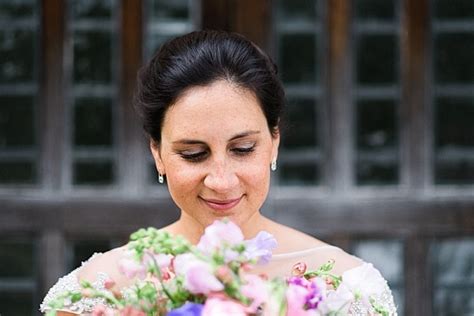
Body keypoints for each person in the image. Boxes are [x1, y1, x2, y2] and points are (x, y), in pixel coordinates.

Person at [41, 30, 397, 315]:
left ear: (274, 141)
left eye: (243, 149)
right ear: (157, 153)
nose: (221, 181)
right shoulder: (101, 293)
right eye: (193, 154)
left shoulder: (345, 289)